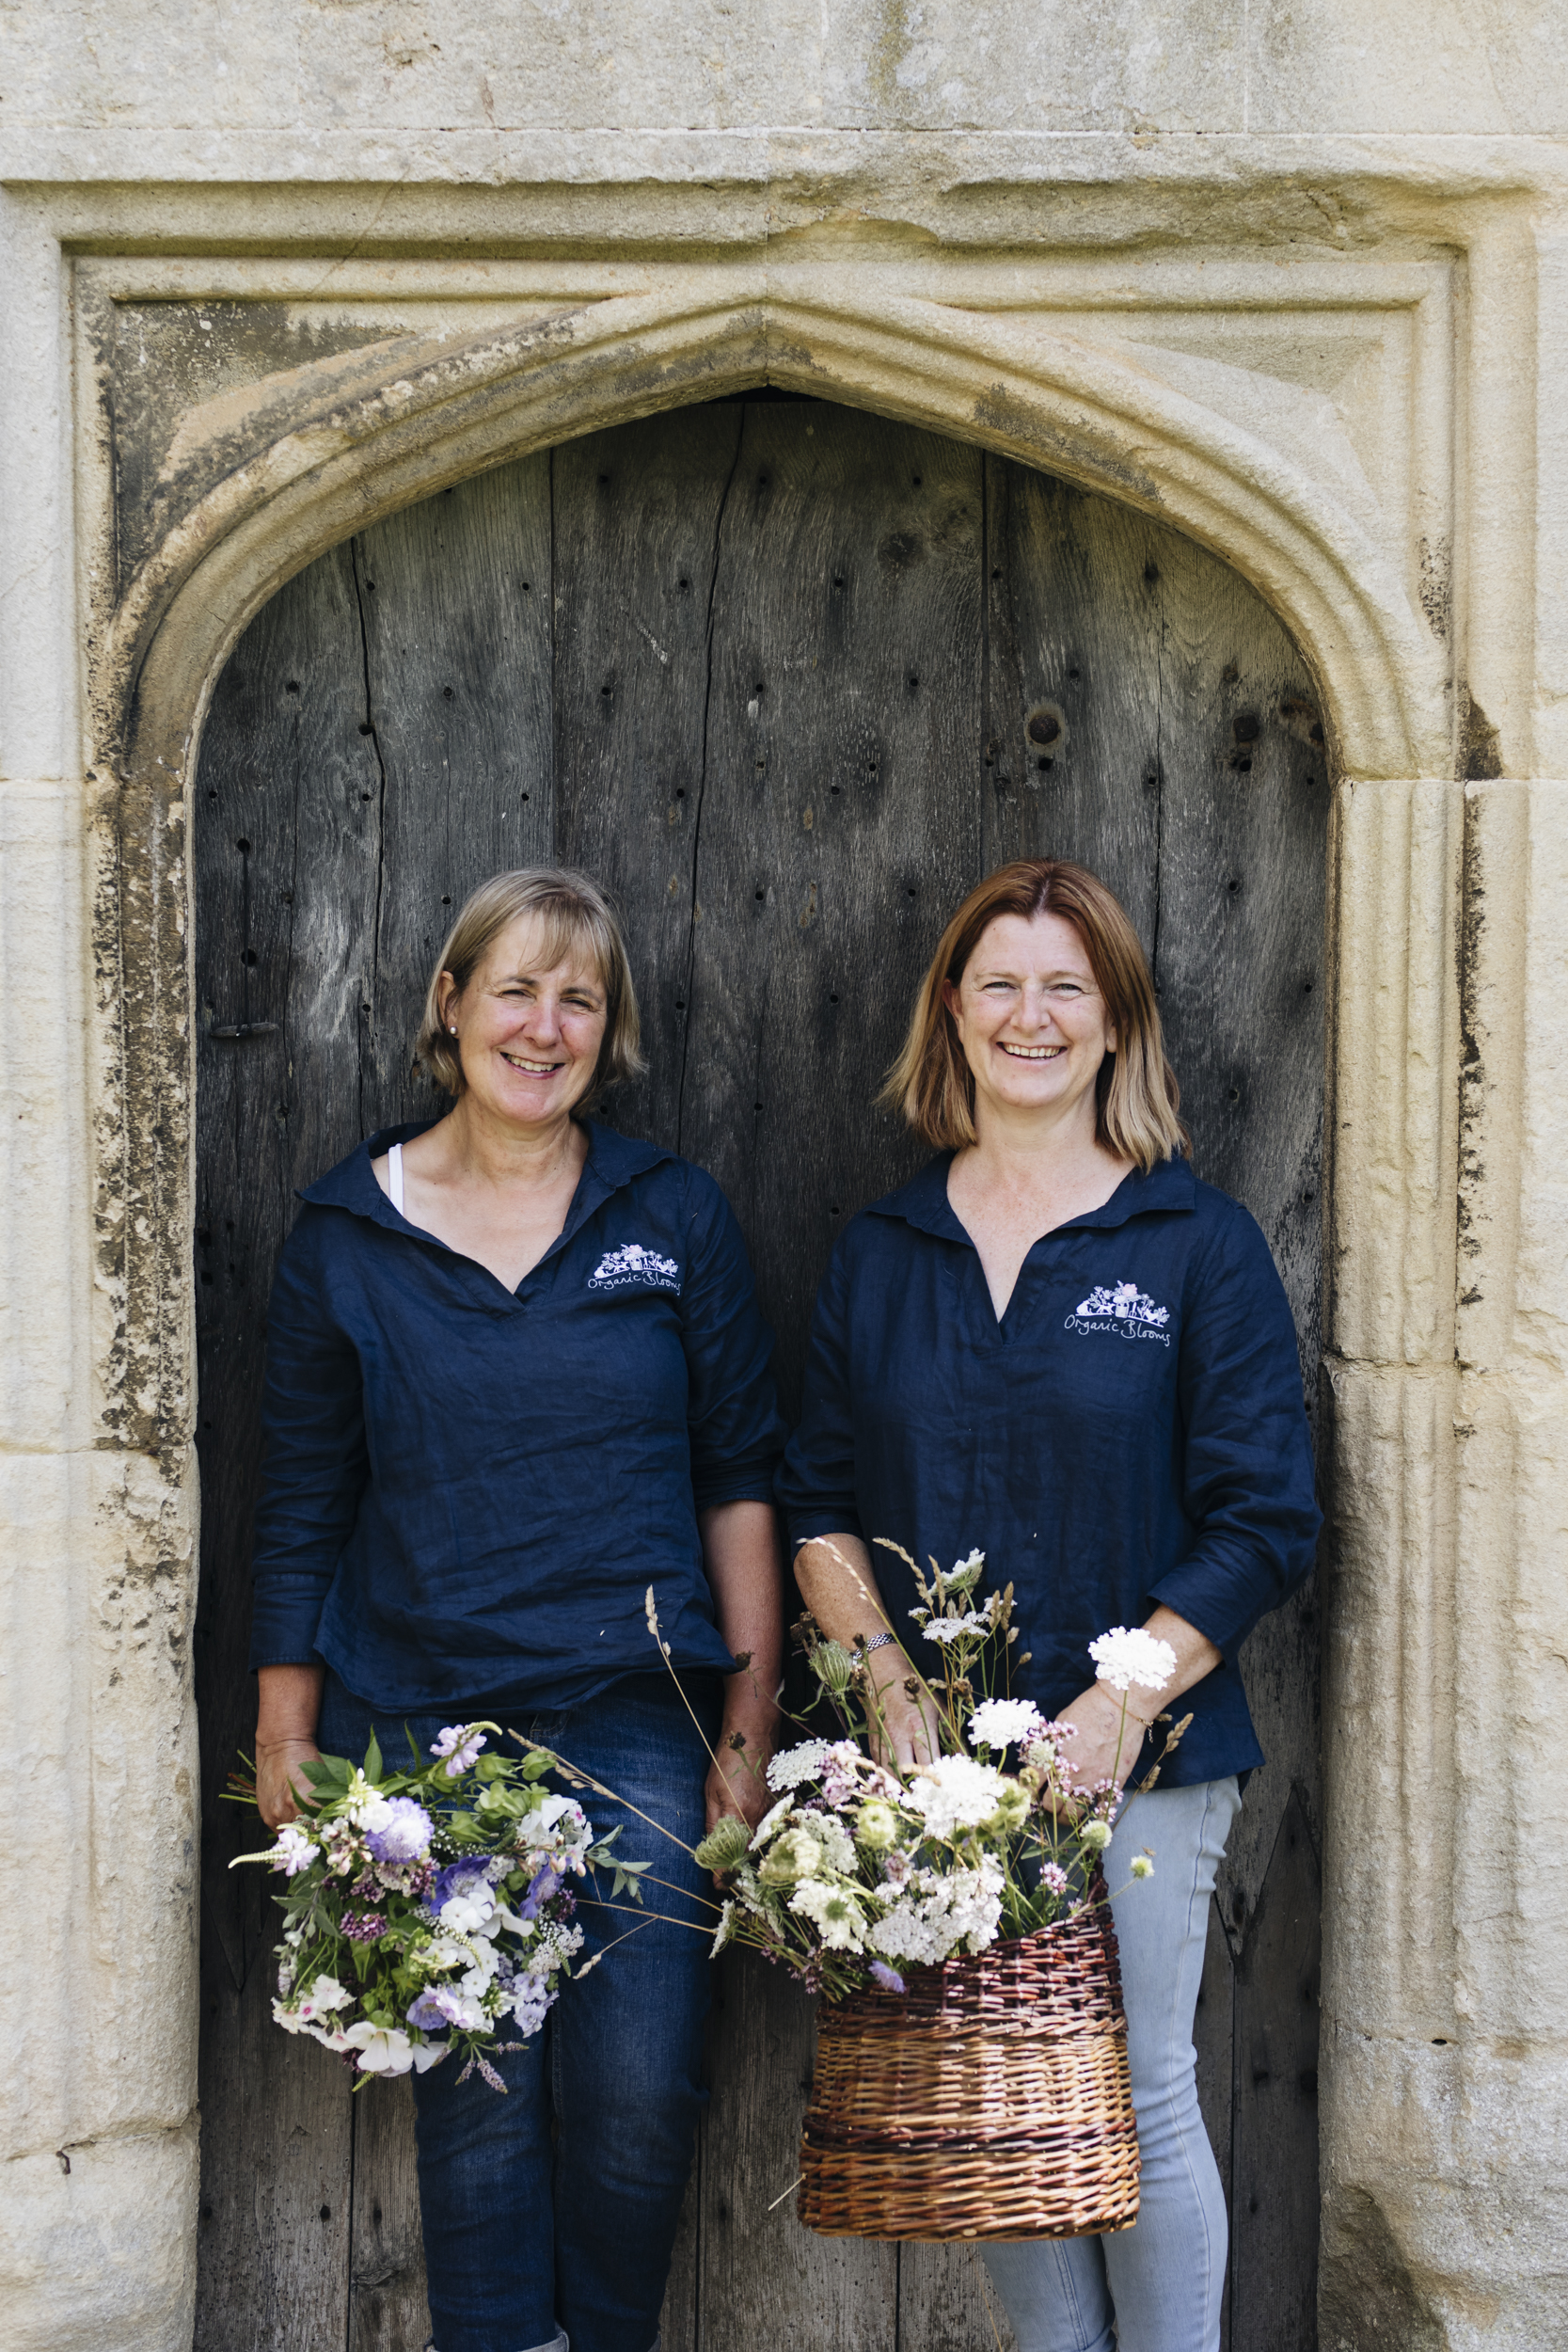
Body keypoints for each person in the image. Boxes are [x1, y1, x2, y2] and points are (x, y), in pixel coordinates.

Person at [776, 857, 1321, 2352]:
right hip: (944, 1783)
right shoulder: (884, 1252)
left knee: (1137, 2085)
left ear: (1116, 1019)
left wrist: (1119, 1701)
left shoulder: (1193, 1243)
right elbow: (814, 1501)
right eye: (1000, 984)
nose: (1032, 1016)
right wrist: (885, 1680)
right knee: (990, 2094)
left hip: (1146, 1763)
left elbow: (1266, 1516)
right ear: (953, 1012)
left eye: (1066, 987)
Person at [249, 867, 785, 2352]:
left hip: (640, 1717)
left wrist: (747, 1723)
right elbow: (301, 1497)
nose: (545, 1028)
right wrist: (286, 1733)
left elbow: (740, 1480)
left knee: (641, 2090)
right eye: (516, 992)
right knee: (474, 2099)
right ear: (451, 1005)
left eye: (580, 1000)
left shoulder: (668, 1214)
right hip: (424, 1725)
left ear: (608, 1031)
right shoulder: (347, 1232)